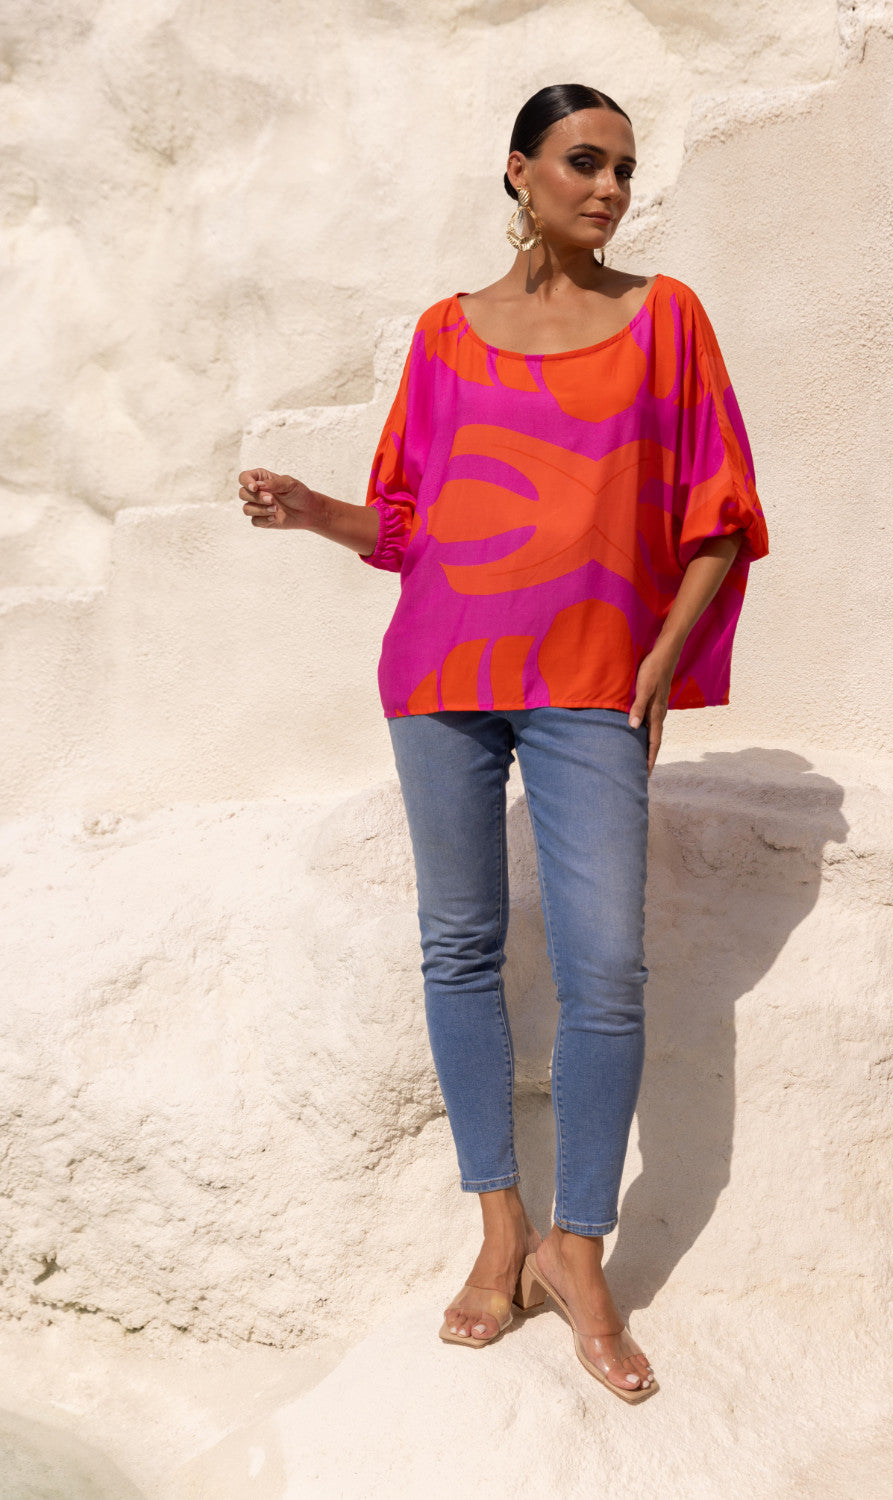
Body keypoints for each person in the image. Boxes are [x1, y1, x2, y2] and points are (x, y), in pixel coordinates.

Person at [238, 82, 768, 1403]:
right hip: (441, 676)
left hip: (592, 683)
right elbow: (409, 526)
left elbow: (719, 513)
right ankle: (499, 1228)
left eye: (624, 168)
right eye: (584, 162)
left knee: (607, 970)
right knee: (460, 948)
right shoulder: (443, 335)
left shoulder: (667, 319)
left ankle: (577, 1247)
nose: (610, 189)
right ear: (520, 171)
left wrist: (657, 665)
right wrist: (316, 512)